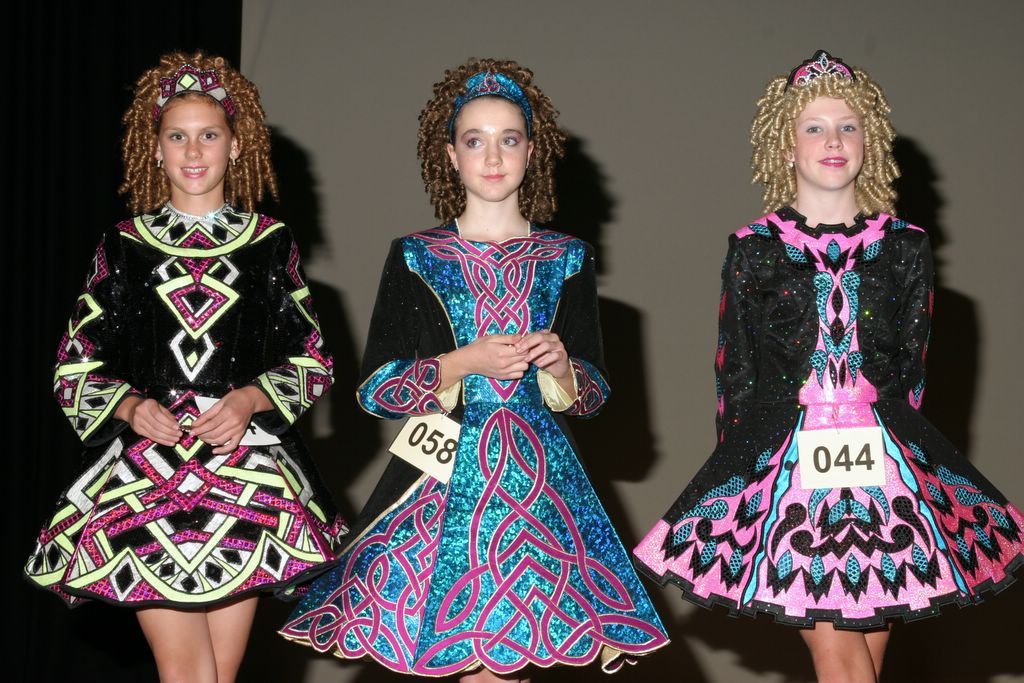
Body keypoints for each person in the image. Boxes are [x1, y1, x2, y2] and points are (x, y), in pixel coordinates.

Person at [633, 49, 1024, 683]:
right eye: (814, 127)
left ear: (871, 141)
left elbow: (913, 370)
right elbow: (736, 370)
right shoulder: (754, 248)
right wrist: (738, 477)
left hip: (886, 475)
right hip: (789, 472)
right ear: (786, 146)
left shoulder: (906, 246)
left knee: (863, 660)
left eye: (848, 126)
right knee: (840, 661)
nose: (833, 140)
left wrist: (904, 466)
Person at [280, 58, 668, 681]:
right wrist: (465, 361)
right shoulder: (415, 255)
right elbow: (377, 388)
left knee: (513, 658)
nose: (492, 157)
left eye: (509, 140)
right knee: (465, 657)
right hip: (440, 478)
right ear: (451, 156)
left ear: (531, 153)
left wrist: (563, 366)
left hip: (539, 476)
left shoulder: (567, 256)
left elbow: (594, 395)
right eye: (474, 140)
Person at [24, 50, 346, 683]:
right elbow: (72, 364)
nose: (193, 151)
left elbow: (313, 358)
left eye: (209, 135)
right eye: (177, 136)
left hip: (248, 477)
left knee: (217, 676)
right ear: (155, 149)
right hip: (146, 477)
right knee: (186, 672)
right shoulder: (123, 244)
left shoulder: (270, 242)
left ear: (236, 145)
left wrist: (249, 399)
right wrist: (130, 406)